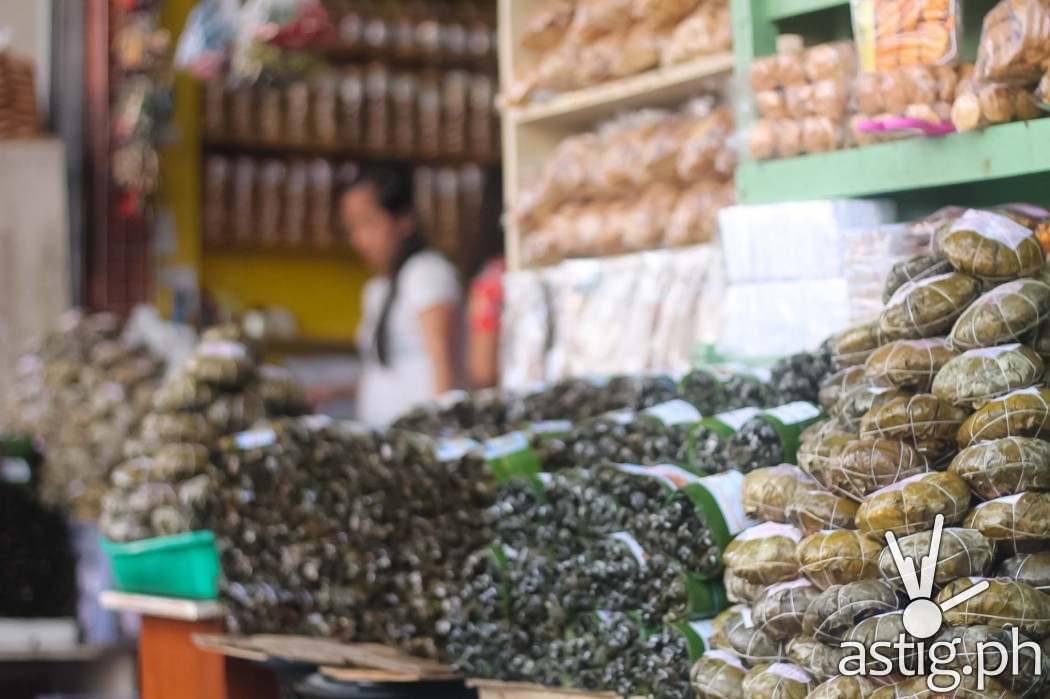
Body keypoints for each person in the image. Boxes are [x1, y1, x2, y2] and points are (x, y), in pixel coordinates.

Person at [341, 168, 462, 426]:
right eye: (352, 228)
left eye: (369, 223)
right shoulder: (377, 289)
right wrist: (331, 392)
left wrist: (445, 432)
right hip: (384, 436)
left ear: (404, 220)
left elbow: (442, 359)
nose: (359, 239)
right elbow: (384, 371)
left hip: (421, 435)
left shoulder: (427, 273)